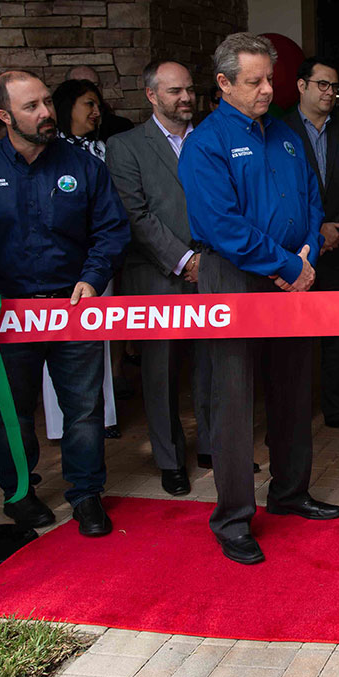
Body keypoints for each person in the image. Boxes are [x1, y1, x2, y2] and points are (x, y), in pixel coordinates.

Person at [0, 70, 129, 536]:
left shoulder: (84, 166)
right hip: (9, 313)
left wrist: (93, 278)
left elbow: (112, 229)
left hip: (73, 307)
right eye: (31, 107)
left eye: (47, 102)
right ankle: (19, 492)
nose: (46, 113)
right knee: (12, 411)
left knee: (84, 409)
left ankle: (86, 494)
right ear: (4, 116)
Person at [179, 32, 339, 565]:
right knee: (233, 399)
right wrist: (289, 265)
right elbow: (221, 226)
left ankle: (291, 493)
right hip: (235, 280)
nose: (267, 90)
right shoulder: (206, 143)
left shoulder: (286, 135)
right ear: (224, 84)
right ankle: (232, 519)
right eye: (254, 82)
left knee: (293, 389)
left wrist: (306, 252)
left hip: (294, 274)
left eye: (269, 79)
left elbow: (313, 199)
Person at [104, 59, 212, 495]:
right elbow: (136, 214)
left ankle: (213, 446)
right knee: (160, 372)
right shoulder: (125, 146)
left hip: (217, 269)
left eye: (189, 89)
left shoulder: (210, 138)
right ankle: (170, 459)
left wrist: (211, 260)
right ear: (151, 95)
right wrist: (184, 260)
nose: (186, 98)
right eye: (174, 91)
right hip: (158, 273)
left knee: (214, 364)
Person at [288, 56, 339, 433]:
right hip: (294, 253)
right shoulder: (277, 130)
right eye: (322, 84)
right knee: (294, 339)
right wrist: (314, 231)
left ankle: (338, 408)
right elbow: (277, 193)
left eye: (334, 87)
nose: (329, 92)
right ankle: (292, 412)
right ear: (301, 85)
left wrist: (337, 231)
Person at [48, 76, 121, 440]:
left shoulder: (104, 150)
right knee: (55, 343)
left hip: (99, 257)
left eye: (98, 105)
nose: (96, 111)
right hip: (58, 264)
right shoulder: (49, 152)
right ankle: (59, 424)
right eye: (88, 104)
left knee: (99, 339)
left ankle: (103, 418)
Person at [66, 65, 132, 140]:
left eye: (95, 85)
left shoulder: (122, 126)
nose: (91, 91)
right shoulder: (59, 128)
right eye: (82, 87)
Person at [53, 78, 107, 160]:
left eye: (99, 108)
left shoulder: (99, 147)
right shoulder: (49, 146)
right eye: (90, 104)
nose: (97, 113)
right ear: (68, 104)